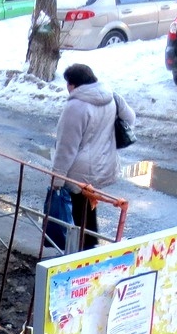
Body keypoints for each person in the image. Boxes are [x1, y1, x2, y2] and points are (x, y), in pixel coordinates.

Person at [51, 63, 135, 249]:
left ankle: (82, 253)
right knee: (88, 208)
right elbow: (130, 118)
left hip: (79, 172)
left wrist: (57, 179)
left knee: (77, 213)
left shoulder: (76, 107)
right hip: (104, 164)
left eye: (68, 83)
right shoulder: (110, 96)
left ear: (73, 84)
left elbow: (66, 147)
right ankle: (89, 247)